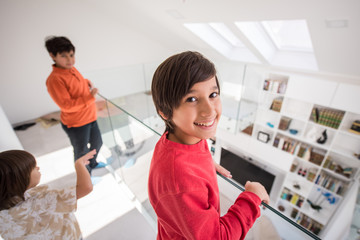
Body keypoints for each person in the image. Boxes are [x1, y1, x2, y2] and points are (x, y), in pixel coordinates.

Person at [148, 51, 270, 239]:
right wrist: (252, 199)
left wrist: (203, 163)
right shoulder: (180, 180)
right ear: (165, 112)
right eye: (192, 99)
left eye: (213, 94)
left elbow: (181, 159)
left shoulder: (178, 136)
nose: (210, 110)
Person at [0, 149, 96, 239]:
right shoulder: (42, 201)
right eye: (33, 167)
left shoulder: (3, 215)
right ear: (19, 181)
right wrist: (79, 164)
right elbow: (85, 187)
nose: (38, 168)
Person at [45, 36, 105, 174]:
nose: (70, 60)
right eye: (64, 56)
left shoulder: (71, 69)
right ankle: (86, 175)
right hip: (76, 123)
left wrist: (86, 82)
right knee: (81, 151)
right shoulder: (54, 80)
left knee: (98, 143)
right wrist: (90, 97)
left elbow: (75, 84)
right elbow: (67, 105)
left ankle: (93, 164)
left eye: (71, 55)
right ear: (52, 56)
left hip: (90, 117)